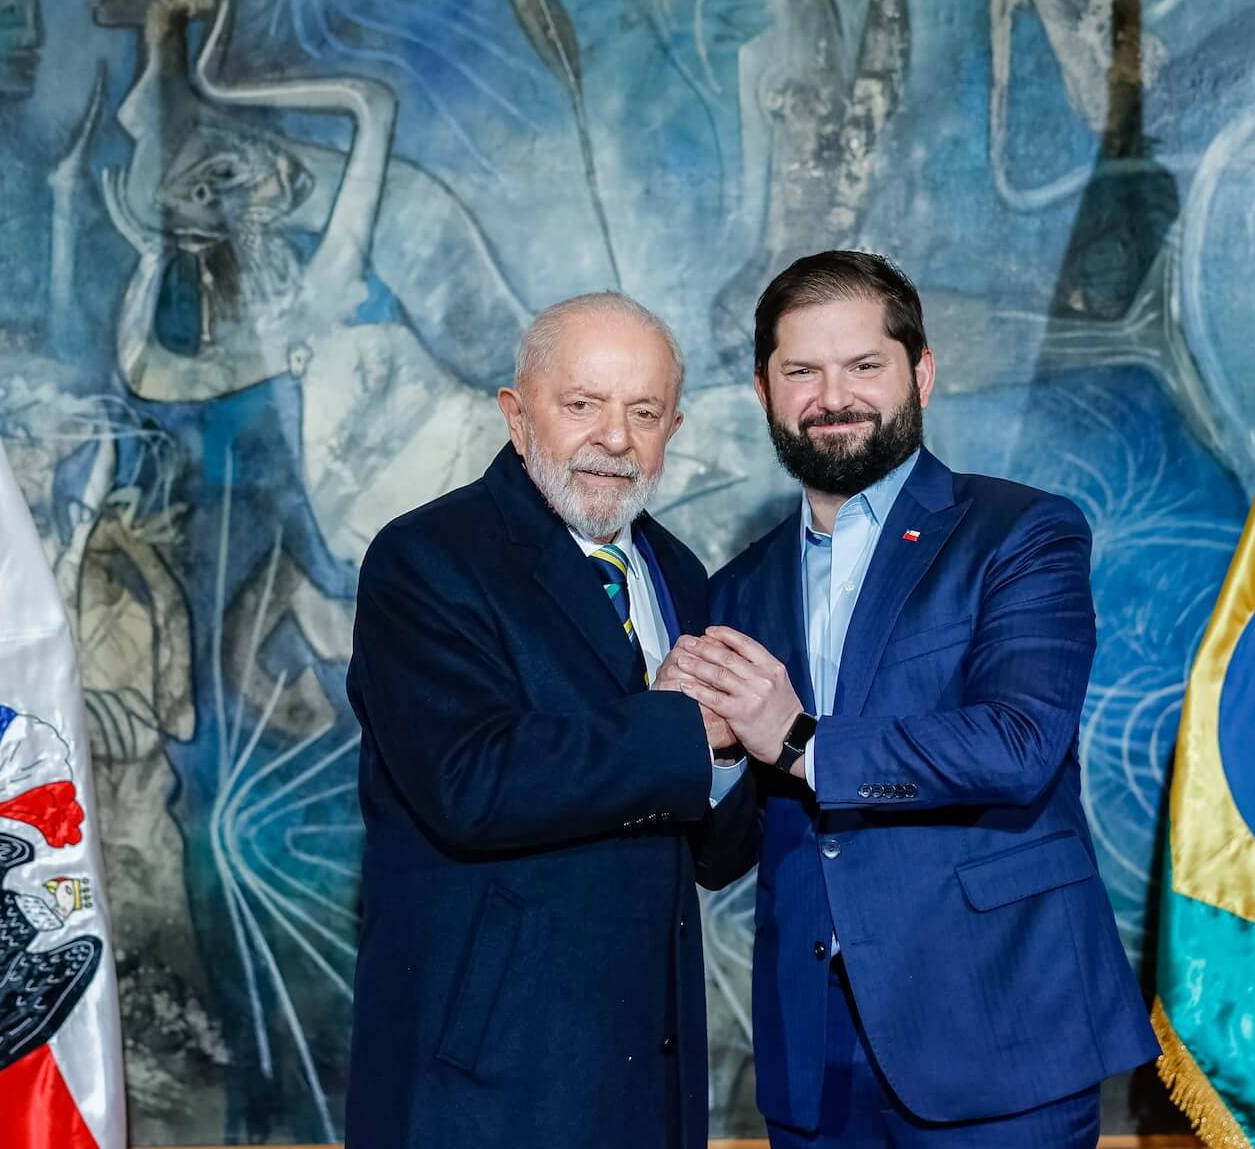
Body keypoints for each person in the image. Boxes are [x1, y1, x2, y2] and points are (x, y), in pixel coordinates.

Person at [669, 252, 1158, 1147]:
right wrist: (711, 753)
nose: (833, 396)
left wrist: (799, 738)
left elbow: (1018, 748)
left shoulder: (1023, 531)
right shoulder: (737, 589)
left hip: (997, 1029)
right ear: (763, 391)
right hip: (813, 1056)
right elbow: (726, 851)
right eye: (802, 371)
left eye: (864, 365)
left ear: (920, 371)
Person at [344, 293, 753, 1148]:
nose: (615, 438)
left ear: (672, 427)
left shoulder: (679, 571)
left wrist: (740, 748)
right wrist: (688, 729)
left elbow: (714, 851)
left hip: (653, 1068)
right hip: (488, 1080)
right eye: (583, 405)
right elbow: (471, 783)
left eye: (643, 412)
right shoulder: (425, 560)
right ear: (516, 414)